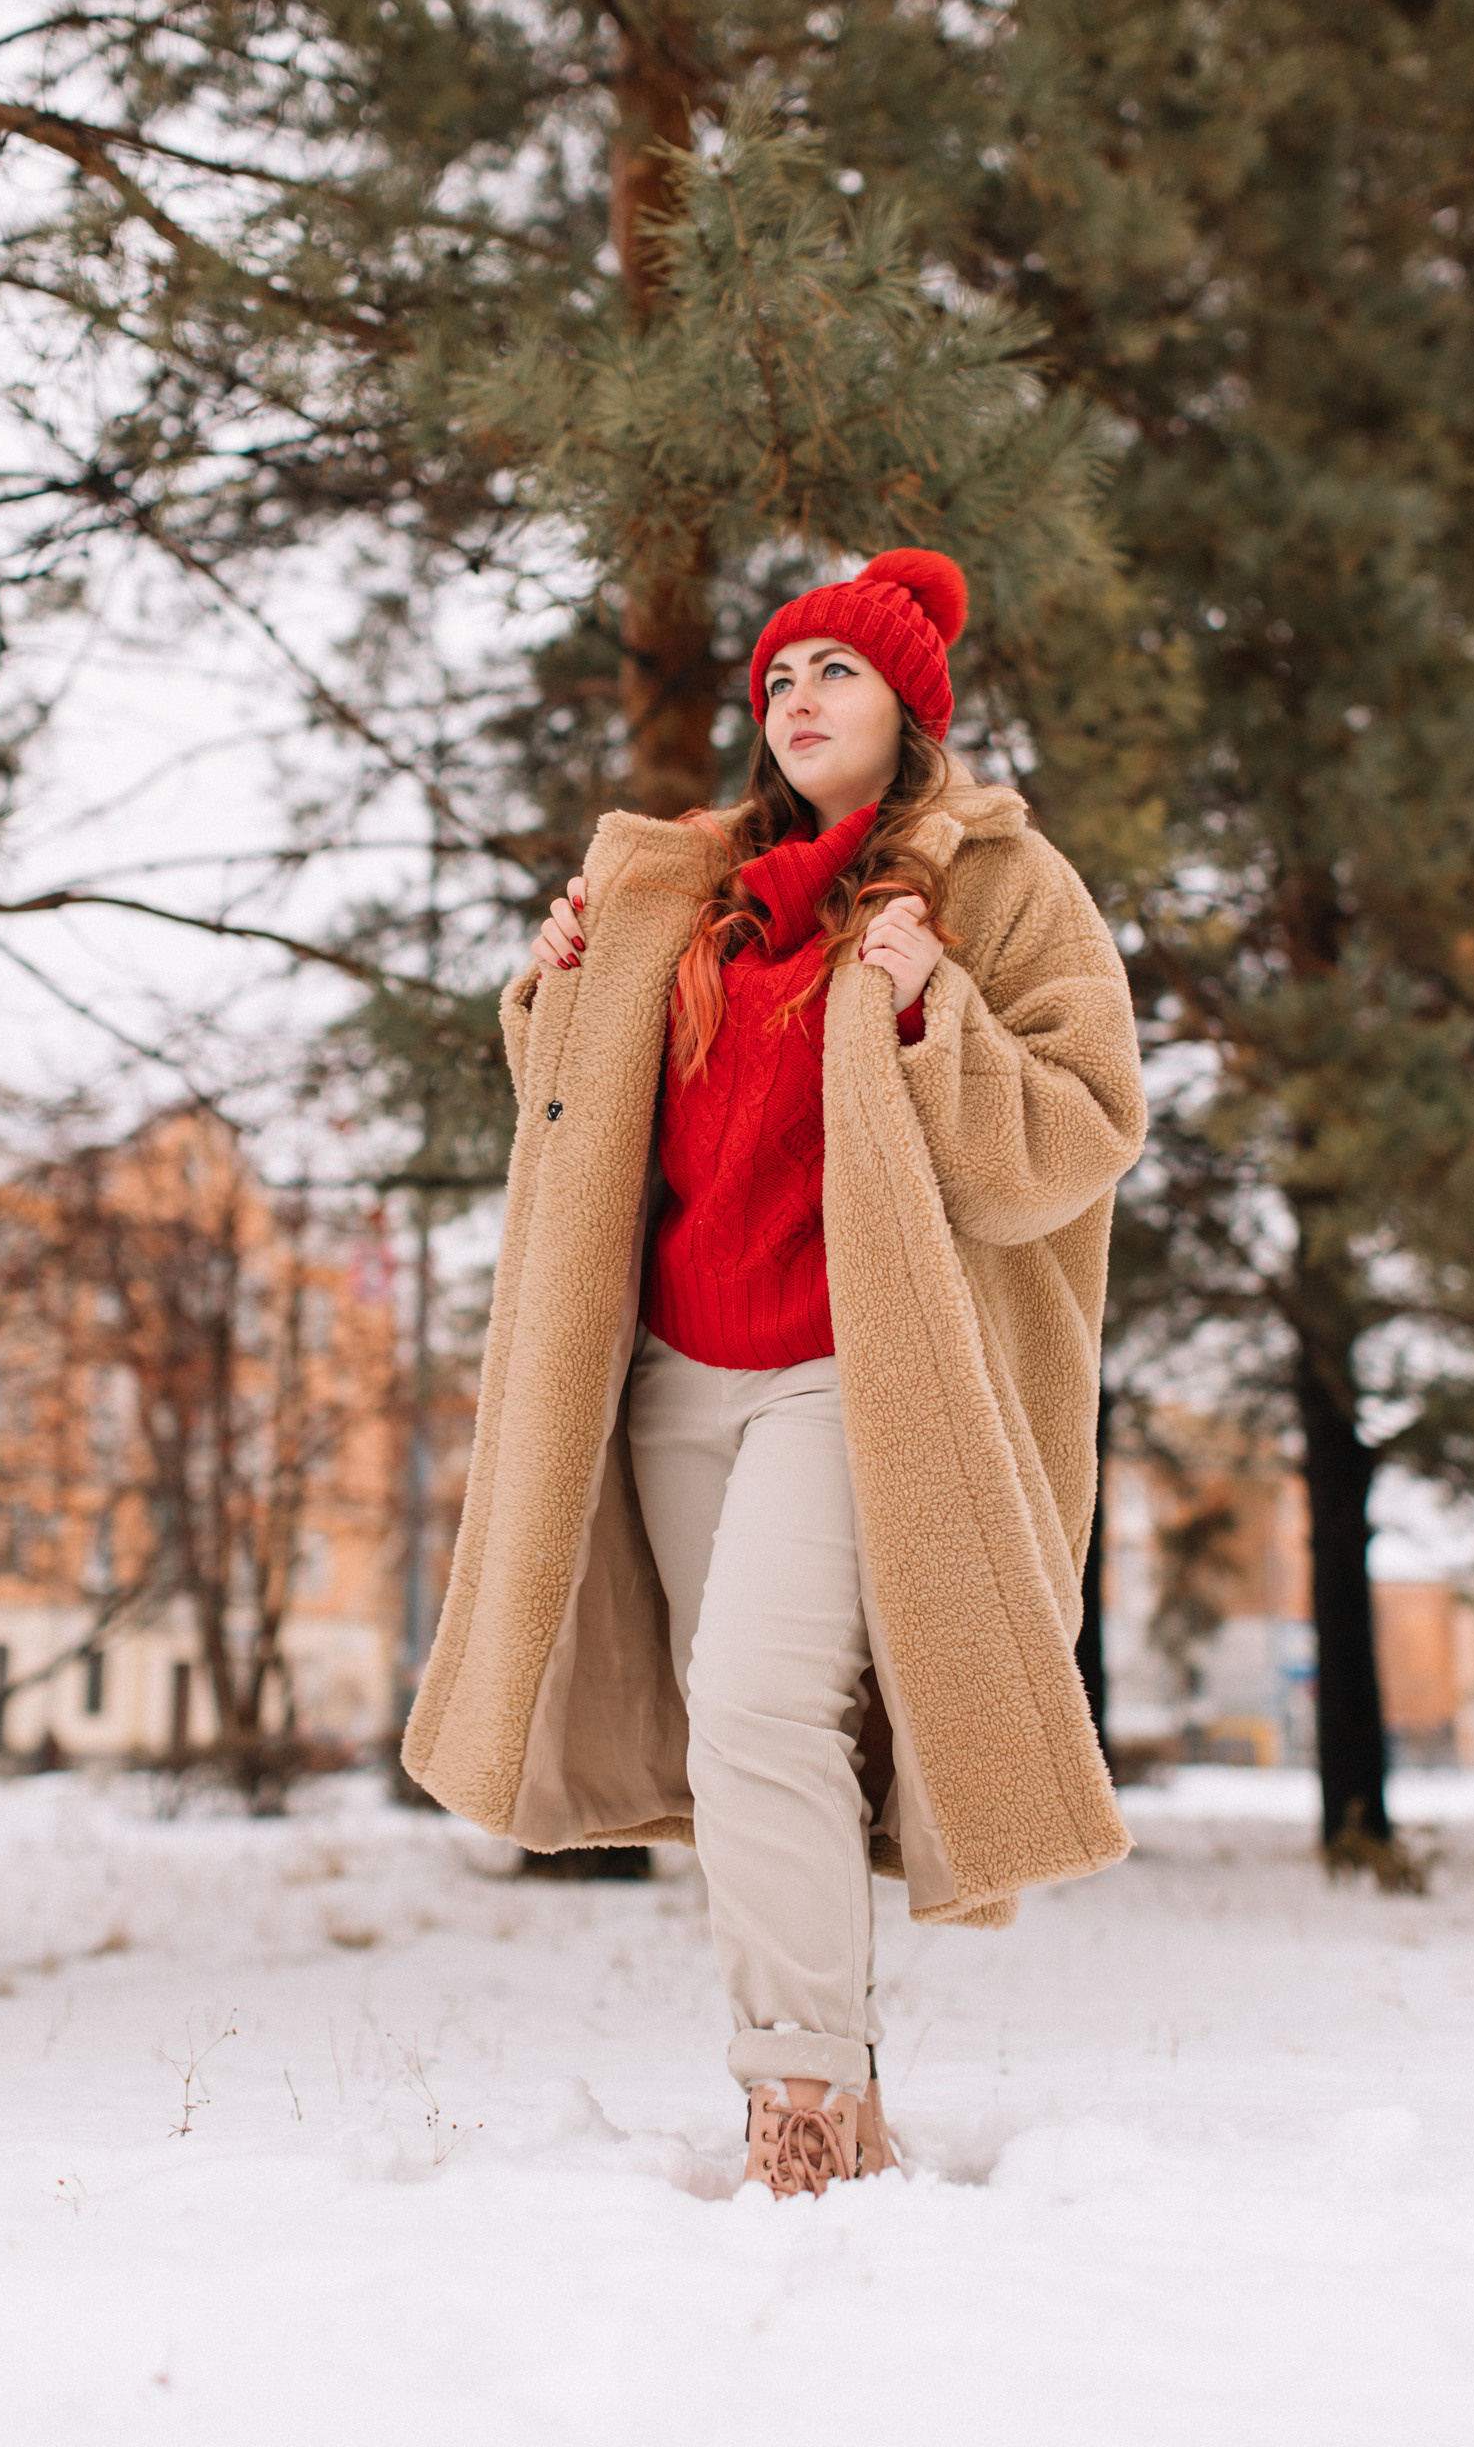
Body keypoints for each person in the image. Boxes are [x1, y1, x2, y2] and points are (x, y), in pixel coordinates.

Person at [403, 548, 1146, 2195]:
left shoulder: (1006, 891)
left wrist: (929, 1005)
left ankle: (800, 2103)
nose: (798, 703)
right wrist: (557, 996)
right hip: (674, 1374)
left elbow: (1083, 1135)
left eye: (838, 675)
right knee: (740, 1743)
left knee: (754, 1700)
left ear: (911, 710)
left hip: (847, 1373)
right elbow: (589, 1132)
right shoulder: (688, 890)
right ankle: (830, 2077)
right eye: (779, 680)